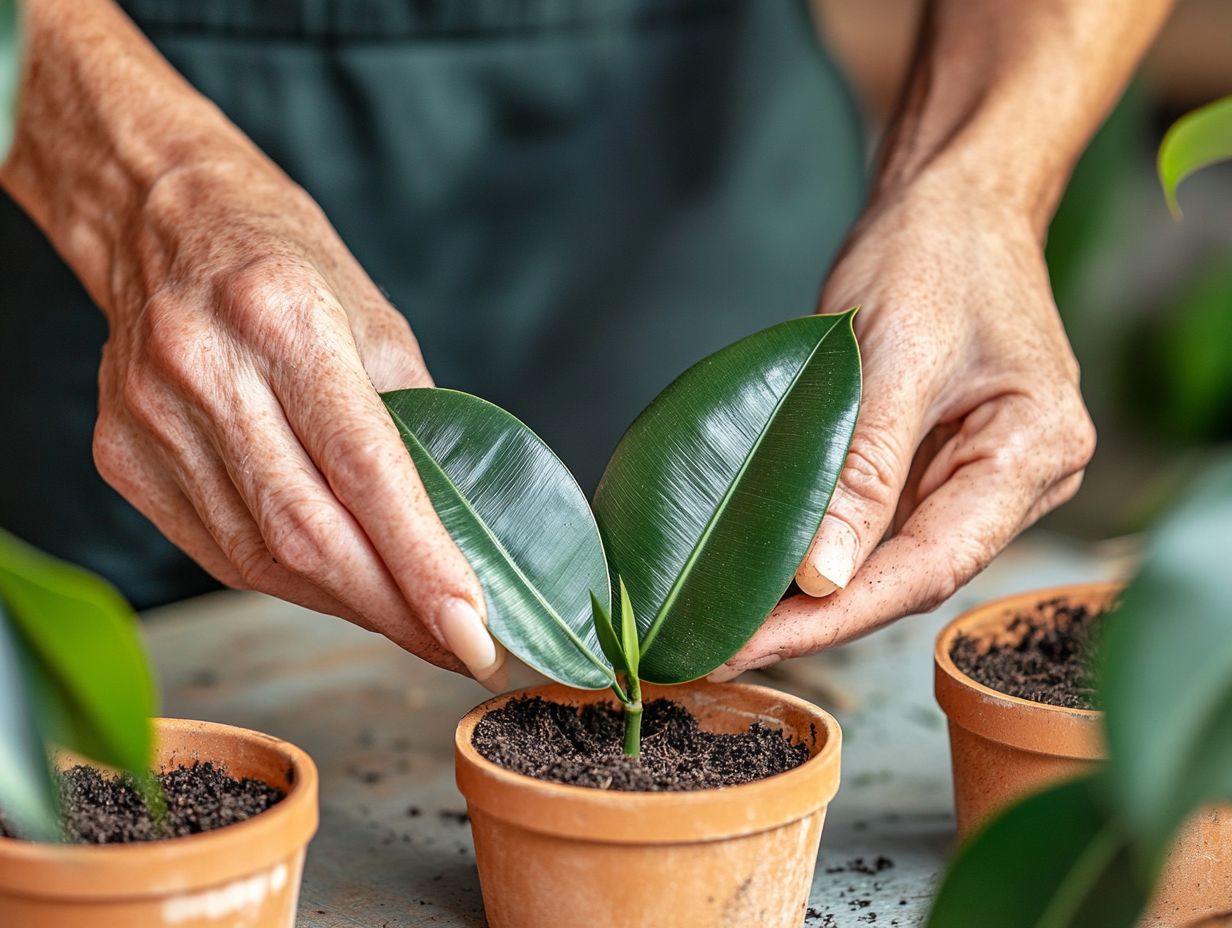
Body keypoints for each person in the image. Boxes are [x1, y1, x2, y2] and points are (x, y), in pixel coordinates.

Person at [0, 0, 1170, 687]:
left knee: (740, 654)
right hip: (131, 169)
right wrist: (139, 180)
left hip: (691, 155)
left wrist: (980, 175)